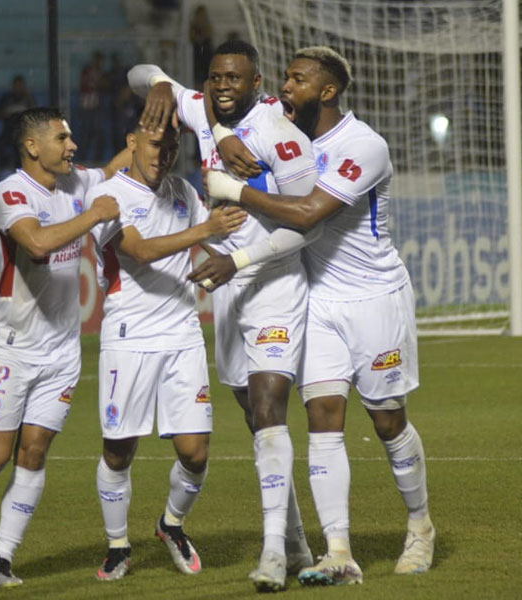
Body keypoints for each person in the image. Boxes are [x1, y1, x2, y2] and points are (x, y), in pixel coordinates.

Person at [193, 46, 436, 585]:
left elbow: (308, 215)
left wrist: (236, 191)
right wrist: (220, 130)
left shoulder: (363, 146)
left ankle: (420, 526)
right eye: (285, 77)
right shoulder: (283, 134)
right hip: (317, 299)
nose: (286, 86)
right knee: (323, 419)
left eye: (298, 80)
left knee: (387, 419)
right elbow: (207, 98)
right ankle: (339, 551)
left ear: (327, 91)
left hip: (374, 298)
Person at [128, 39, 319, 592]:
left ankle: (272, 553)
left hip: (274, 283)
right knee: (256, 419)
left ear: (256, 83)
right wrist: (160, 82)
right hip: (227, 291)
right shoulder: (202, 109)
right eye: (215, 77)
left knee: (269, 409)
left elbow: (305, 226)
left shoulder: (282, 136)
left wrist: (238, 260)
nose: (223, 87)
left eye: (234, 78)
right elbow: (139, 73)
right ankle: (296, 542)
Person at [0, 107, 131, 588]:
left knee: (34, 451)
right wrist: (93, 215)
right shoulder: (11, 192)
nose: (72, 145)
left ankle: (1, 557)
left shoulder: (76, 182)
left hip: (62, 352)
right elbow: (37, 244)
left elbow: (111, 170)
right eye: (62, 138)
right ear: (32, 146)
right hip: (14, 348)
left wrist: (147, 135)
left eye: (71, 137)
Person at [86, 120, 246, 581]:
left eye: (172, 148)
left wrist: (230, 244)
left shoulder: (182, 192)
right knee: (119, 451)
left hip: (182, 333)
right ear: (132, 142)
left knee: (195, 453)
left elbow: (215, 237)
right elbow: (139, 251)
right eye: (156, 144)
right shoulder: (108, 197)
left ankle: (171, 524)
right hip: (129, 335)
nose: (163, 155)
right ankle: (118, 545)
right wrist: (204, 230)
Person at [0, 75, 37, 169]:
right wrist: (7, 113)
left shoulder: (28, 98)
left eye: (20, 86)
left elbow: (36, 116)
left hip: (23, 132)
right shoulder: (6, 99)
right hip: (8, 131)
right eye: (16, 86)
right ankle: (4, 168)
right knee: (0, 146)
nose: (18, 88)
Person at [78, 51, 107, 163]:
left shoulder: (101, 72)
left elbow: (104, 85)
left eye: (100, 60)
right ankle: (82, 159)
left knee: (98, 135)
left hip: (97, 107)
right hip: (86, 107)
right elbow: (86, 85)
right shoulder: (88, 71)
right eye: (97, 60)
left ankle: (97, 159)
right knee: (86, 134)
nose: (99, 62)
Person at [188, 5, 214, 88]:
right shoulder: (193, 27)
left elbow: (209, 36)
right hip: (197, 55)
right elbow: (192, 38)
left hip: (206, 54)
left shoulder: (208, 27)